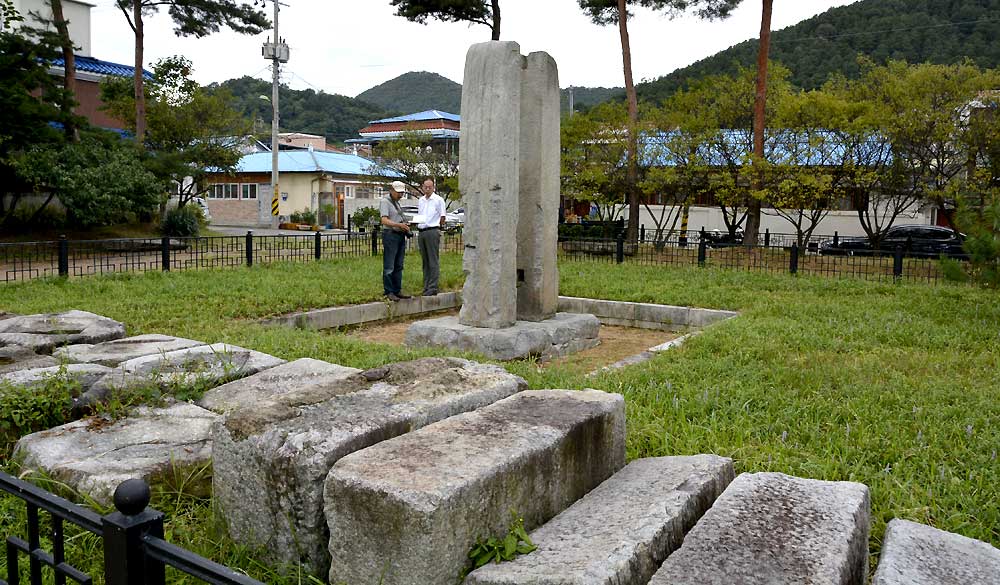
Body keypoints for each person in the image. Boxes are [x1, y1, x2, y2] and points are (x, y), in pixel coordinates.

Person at [379, 180, 412, 301]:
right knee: (389, 265)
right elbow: (384, 220)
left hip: (399, 235)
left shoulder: (397, 203)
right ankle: (389, 291)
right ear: (391, 190)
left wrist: (404, 225)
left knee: (399, 264)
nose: (400, 195)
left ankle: (397, 290)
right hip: (390, 235)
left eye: (402, 193)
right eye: (398, 192)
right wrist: (399, 225)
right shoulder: (385, 202)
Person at [416, 178, 446, 296]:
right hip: (422, 230)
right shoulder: (421, 200)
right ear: (422, 187)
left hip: (432, 230)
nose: (427, 189)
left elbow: (442, 216)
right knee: (425, 260)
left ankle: (433, 286)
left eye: (430, 187)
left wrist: (438, 226)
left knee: (433, 259)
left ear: (433, 187)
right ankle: (426, 285)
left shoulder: (438, 200)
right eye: (425, 187)